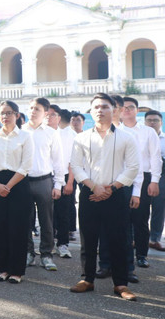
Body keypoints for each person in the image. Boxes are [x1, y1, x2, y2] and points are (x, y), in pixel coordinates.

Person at [70, 93, 139, 301]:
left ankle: (120, 284)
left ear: (115, 110)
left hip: (116, 194)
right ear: (91, 111)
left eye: (105, 107)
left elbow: (133, 167)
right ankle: (87, 279)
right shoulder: (81, 138)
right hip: (89, 194)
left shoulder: (126, 137)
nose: (100, 110)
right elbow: (76, 165)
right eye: (96, 107)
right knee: (88, 238)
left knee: (118, 239)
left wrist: (111, 188)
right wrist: (93, 187)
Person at [0, 100, 34, 284]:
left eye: (9, 113)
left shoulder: (25, 137)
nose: (5, 116)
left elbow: (26, 165)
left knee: (18, 227)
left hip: (18, 184)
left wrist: (9, 186)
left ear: (17, 115)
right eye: (2, 113)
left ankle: (16, 271)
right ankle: (2, 268)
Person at [22, 97, 65, 272]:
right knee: (24, 220)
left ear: (46, 113)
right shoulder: (20, 131)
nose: (33, 111)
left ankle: (46, 254)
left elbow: (58, 160)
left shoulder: (51, 133)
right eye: (31, 108)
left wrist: (58, 185)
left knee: (46, 220)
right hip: (23, 181)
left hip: (44, 180)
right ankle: (28, 252)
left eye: (37, 109)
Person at [118, 97, 161, 271]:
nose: (127, 110)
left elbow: (155, 157)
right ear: (119, 111)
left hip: (144, 179)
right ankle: (122, 255)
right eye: (124, 107)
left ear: (137, 110)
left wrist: (155, 181)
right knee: (121, 220)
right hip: (120, 180)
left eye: (131, 107)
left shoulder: (148, 132)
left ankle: (141, 255)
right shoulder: (115, 131)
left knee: (141, 219)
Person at [52, 108, 77, 258]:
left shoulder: (72, 135)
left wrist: (69, 183)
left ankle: (63, 244)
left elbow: (73, 161)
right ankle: (48, 244)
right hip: (47, 176)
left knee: (63, 212)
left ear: (59, 117)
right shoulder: (48, 132)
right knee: (48, 213)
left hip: (67, 177)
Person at [144, 110, 165, 251]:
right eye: (149, 120)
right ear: (145, 122)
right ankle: (136, 238)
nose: (152, 123)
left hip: (162, 176)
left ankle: (155, 238)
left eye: (155, 120)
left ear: (161, 122)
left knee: (159, 207)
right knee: (139, 207)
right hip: (142, 175)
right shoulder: (139, 138)